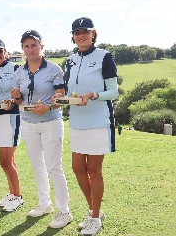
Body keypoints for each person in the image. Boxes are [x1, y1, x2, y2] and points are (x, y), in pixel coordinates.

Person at [56, 17, 118, 235]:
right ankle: (94, 210)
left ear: (93, 34)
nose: (81, 35)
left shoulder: (105, 57)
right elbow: (66, 87)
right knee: (77, 168)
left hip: (99, 121)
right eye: (77, 32)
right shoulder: (71, 60)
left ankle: (94, 217)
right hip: (77, 121)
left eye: (85, 31)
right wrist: (59, 95)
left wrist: (93, 95)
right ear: (72, 36)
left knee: (94, 169)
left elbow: (114, 92)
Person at [11, 30, 72, 228]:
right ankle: (44, 204)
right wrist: (16, 97)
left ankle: (64, 211)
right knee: (37, 166)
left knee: (54, 167)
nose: (30, 49)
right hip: (28, 122)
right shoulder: (19, 72)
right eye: (26, 46)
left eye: (34, 45)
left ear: (42, 46)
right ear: (23, 49)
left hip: (51, 122)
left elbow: (61, 96)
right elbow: (18, 99)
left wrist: (49, 106)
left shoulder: (54, 69)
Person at [0, 39, 24, 212]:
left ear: (5, 52)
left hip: (12, 116)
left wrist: (14, 100)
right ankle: (12, 193)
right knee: (10, 161)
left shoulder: (16, 69)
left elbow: (22, 93)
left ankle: (18, 197)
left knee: (5, 161)